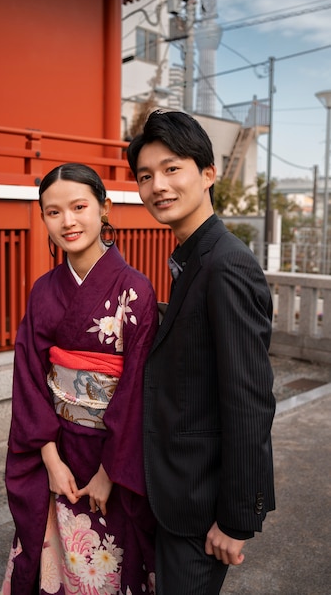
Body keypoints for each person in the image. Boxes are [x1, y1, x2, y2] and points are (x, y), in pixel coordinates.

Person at [126, 110, 276, 595]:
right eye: (145, 176)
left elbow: (249, 401)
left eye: (172, 169)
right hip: (176, 495)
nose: (158, 186)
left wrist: (236, 521)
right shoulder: (193, 258)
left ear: (208, 174)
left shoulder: (226, 265)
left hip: (201, 509)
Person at [0, 163, 159, 595]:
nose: (67, 221)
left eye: (79, 206)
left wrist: (111, 471)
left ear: (104, 208)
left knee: (108, 567)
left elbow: (138, 388)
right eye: (53, 212)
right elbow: (29, 378)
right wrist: (49, 460)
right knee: (53, 565)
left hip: (113, 456)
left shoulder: (136, 292)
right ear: (43, 219)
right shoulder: (43, 291)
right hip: (58, 451)